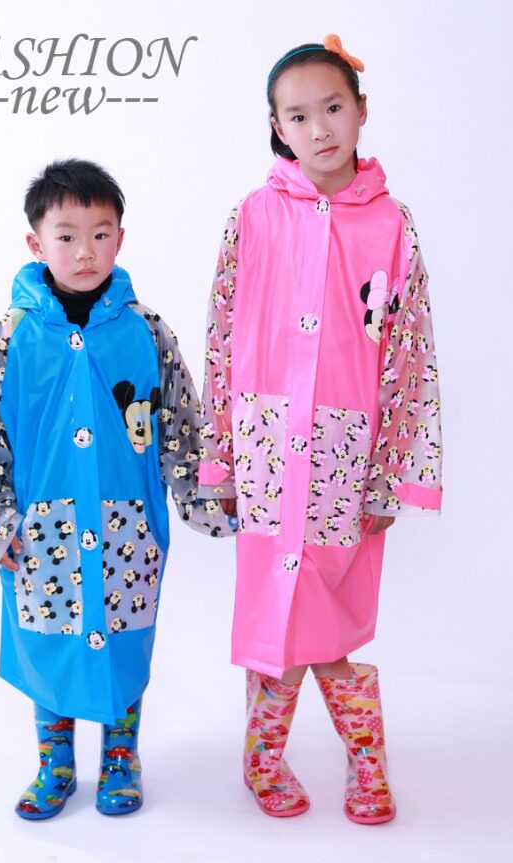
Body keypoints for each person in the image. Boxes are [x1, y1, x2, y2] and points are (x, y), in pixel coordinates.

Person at [197, 35, 443, 823]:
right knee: (275, 620)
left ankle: (361, 763)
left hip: (345, 457)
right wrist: (220, 456)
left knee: (330, 624)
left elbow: (409, 349)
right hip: (268, 451)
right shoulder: (253, 215)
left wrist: (394, 473)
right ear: (278, 128)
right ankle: (264, 761)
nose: (320, 128)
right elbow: (222, 334)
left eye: (333, 107)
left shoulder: (392, 224)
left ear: (361, 110)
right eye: (298, 116)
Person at [0, 158, 233, 820]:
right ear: (36, 243)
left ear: (121, 239)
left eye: (101, 234)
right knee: (48, 646)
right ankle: (55, 762)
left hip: (126, 529)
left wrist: (212, 500)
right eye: (67, 236)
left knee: (124, 645)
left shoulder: (146, 331)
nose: (85, 251)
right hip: (39, 535)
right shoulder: (12, 337)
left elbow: (182, 426)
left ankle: (121, 758)